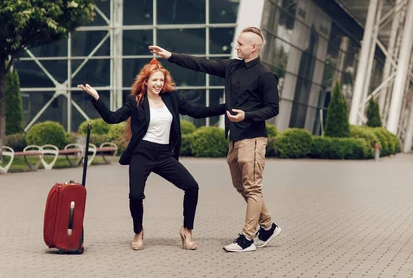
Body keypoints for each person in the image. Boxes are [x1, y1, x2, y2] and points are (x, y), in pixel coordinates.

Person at [149, 26, 281, 253]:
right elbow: (202, 64)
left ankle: (247, 238)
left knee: (252, 188)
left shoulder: (265, 75)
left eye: (241, 44)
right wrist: (171, 56)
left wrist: (247, 115)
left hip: (253, 138)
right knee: (240, 186)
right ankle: (267, 226)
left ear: (254, 47)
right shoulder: (232, 67)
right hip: (234, 137)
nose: (237, 47)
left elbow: (273, 108)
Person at [78, 59, 226, 251]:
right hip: (142, 153)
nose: (158, 84)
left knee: (192, 187)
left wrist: (225, 107)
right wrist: (96, 98)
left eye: (161, 80)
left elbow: (197, 112)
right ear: (145, 81)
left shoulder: (172, 98)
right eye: (154, 80)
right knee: (135, 195)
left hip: (165, 155)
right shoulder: (136, 101)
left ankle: (187, 230)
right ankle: (138, 231)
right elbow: (112, 118)